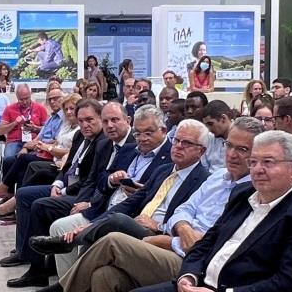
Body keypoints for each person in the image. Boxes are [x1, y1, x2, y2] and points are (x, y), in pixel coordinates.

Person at [40, 118, 262, 292]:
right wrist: (183, 228)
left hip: (190, 260)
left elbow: (215, 241)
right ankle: (74, 249)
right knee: (104, 275)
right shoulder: (216, 178)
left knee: (114, 238)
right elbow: (183, 210)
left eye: (242, 149)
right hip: (167, 238)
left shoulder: (249, 191)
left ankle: (61, 288)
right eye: (229, 146)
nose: (232, 154)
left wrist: (169, 237)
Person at [132, 130, 292, 292]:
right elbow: (207, 243)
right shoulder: (242, 194)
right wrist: (188, 276)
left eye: (268, 162)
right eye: (253, 162)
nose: (257, 169)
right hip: (199, 283)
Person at [36, 108, 191, 272]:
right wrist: (112, 180)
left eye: (148, 133)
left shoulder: (171, 159)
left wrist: (141, 191)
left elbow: (153, 199)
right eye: (138, 133)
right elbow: (100, 180)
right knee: (59, 226)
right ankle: (64, 278)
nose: (142, 138)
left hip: (133, 217)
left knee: (92, 236)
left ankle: (70, 272)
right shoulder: (129, 149)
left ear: (163, 130)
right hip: (105, 208)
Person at [4, 102, 131, 288]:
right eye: (81, 121)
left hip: (88, 196)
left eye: (90, 120)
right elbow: (76, 169)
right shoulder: (91, 139)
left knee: (40, 202)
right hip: (78, 190)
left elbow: (91, 180)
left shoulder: (114, 143)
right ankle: (28, 254)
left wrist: (85, 202)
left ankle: (42, 269)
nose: (85, 125)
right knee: (26, 190)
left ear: (127, 120)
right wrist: (58, 185)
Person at [0, 84, 49, 159]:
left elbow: (47, 130)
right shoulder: (9, 109)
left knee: (34, 159)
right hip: (15, 141)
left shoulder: (40, 108)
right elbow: (1, 131)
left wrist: (35, 128)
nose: (24, 102)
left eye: (26, 98)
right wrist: (15, 123)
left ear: (30, 94)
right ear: (17, 97)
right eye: (21, 99)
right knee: (9, 159)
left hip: (34, 141)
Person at [202, 100, 235, 172]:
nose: (209, 129)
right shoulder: (209, 137)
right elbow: (204, 166)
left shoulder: (242, 136)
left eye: (210, 124)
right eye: (206, 125)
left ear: (223, 119)